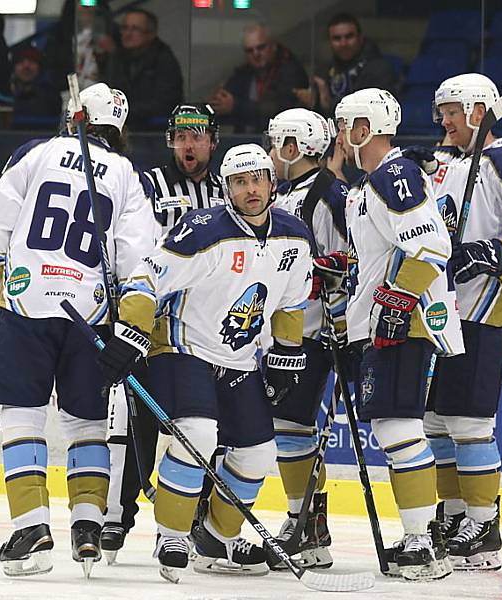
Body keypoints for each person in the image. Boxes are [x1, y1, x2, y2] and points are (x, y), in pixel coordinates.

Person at [95, 143, 313, 582]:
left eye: (257, 179)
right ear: (226, 188)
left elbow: (292, 301)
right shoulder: (202, 228)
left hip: (239, 357)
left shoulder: (295, 234)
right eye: (239, 182)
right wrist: (131, 332)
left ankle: (216, 535)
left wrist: (288, 353)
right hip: (181, 346)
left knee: (258, 453)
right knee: (197, 432)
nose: (250, 189)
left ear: (273, 182)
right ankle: (172, 533)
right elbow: (145, 278)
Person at [0, 82, 159, 578]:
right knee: (86, 424)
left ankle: (32, 529)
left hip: (28, 307)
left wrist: (8, 278)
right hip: (91, 314)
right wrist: (134, 329)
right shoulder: (127, 174)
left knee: (23, 416)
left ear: (73, 116)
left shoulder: (34, 153)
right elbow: (141, 261)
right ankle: (86, 525)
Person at [330, 87, 463, 581]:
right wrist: (344, 268)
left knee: (399, 427)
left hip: (403, 321)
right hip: (381, 317)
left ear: (364, 128)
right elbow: (385, 252)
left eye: (345, 126)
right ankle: (422, 536)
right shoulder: (368, 187)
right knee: (395, 428)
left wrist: (398, 301)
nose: (341, 136)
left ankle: (422, 542)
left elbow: (431, 247)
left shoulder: (395, 174)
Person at [425, 73, 502, 571]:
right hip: (444, 311)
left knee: (471, 421)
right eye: (442, 112)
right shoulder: (452, 167)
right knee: (437, 422)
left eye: (452, 111)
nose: (444, 120)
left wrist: (486, 253)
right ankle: (455, 514)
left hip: (486, 307)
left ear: (479, 111)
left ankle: (484, 525)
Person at [100, 102, 226, 562]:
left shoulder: (230, 186)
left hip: (209, 327)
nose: (188, 145)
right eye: (180, 136)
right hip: (151, 325)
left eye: (197, 136)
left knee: (205, 427)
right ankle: (115, 519)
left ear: (213, 140)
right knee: (138, 422)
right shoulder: (146, 184)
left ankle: (193, 518)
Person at [264, 107, 349, 569]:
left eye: (277, 141)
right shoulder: (286, 193)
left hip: (314, 330)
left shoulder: (326, 193)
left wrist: (331, 289)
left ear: (293, 147)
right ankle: (309, 527)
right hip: (283, 330)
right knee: (287, 428)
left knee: (293, 427)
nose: (271, 151)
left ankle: (306, 523)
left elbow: (346, 258)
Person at [209, 23, 308, 134]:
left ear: (273, 46)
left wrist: (236, 106)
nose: (256, 54)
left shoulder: (291, 71)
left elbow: (280, 110)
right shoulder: (244, 73)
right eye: (250, 51)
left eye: (261, 48)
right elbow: (224, 104)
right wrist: (219, 101)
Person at [294, 13, 399, 116]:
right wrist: (313, 103)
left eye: (349, 37)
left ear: (360, 38)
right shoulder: (323, 70)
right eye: (337, 38)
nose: (343, 43)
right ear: (329, 42)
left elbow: (371, 112)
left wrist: (327, 104)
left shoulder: (379, 69)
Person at [105, 9, 184, 130]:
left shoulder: (164, 59)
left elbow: (164, 103)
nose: (127, 34)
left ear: (151, 34)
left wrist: (127, 111)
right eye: (125, 28)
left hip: (155, 132)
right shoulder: (117, 56)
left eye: (135, 29)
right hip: (122, 127)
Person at [44, 0, 118, 94]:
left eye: (91, 2)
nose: (86, 6)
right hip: (69, 92)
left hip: (102, 93)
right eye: (82, 2)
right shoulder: (59, 33)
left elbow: (121, 66)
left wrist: (114, 51)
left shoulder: (111, 31)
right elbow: (52, 62)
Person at [0, 47, 62, 129]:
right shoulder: (2, 92)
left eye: (32, 62)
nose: (26, 66)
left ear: (39, 67)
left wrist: (15, 111)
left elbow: (43, 112)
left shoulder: (49, 93)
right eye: (21, 62)